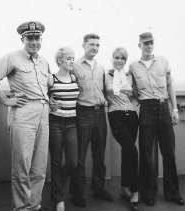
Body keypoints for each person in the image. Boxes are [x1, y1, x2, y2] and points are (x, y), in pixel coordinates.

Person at [0, 21, 50, 211]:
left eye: (37, 38)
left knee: (39, 165)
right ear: (23, 39)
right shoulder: (12, 58)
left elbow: (47, 87)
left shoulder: (44, 61)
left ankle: (34, 205)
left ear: (41, 39)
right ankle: (21, 208)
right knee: (22, 165)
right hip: (24, 113)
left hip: (43, 113)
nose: (34, 42)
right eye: (30, 38)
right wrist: (5, 100)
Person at [129, 32, 185, 206]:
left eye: (151, 42)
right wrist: (140, 102)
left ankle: (172, 193)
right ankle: (149, 192)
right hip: (146, 110)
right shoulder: (133, 66)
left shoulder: (163, 62)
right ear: (139, 45)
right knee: (146, 153)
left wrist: (174, 109)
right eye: (145, 43)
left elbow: (170, 86)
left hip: (163, 109)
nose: (149, 46)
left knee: (168, 152)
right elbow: (131, 89)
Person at [71, 33, 114, 207]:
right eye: (92, 45)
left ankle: (98, 188)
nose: (95, 48)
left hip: (100, 114)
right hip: (83, 114)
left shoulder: (100, 67)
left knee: (99, 154)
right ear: (83, 45)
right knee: (80, 157)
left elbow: (105, 89)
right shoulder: (74, 66)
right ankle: (77, 193)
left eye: (97, 45)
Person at [105, 47, 139, 211]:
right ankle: (134, 190)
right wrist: (125, 89)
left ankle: (124, 187)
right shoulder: (107, 75)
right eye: (116, 57)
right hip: (116, 115)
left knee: (128, 152)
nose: (119, 61)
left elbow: (134, 94)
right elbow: (109, 90)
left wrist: (125, 89)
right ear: (112, 58)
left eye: (122, 59)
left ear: (126, 60)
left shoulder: (130, 76)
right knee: (132, 151)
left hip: (132, 116)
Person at [48, 47, 79, 211]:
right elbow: (42, 96)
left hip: (72, 124)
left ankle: (56, 188)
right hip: (55, 123)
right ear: (60, 61)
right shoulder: (51, 79)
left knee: (73, 162)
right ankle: (59, 199)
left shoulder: (74, 77)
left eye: (73, 58)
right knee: (56, 161)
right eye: (69, 58)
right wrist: (48, 102)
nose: (72, 61)